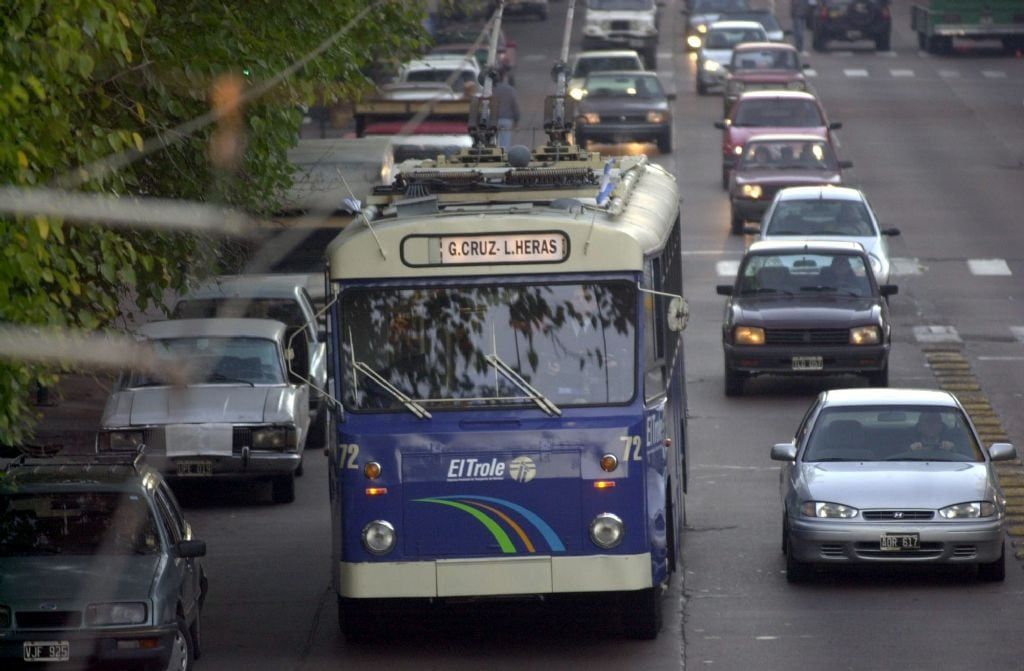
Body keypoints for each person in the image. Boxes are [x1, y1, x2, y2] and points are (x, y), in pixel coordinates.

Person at [491, 69, 520, 149]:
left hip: (492, 120)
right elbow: (515, 106)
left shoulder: (491, 90)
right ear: (504, 77)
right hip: (507, 120)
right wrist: (516, 120)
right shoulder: (510, 90)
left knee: (492, 142)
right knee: (505, 143)